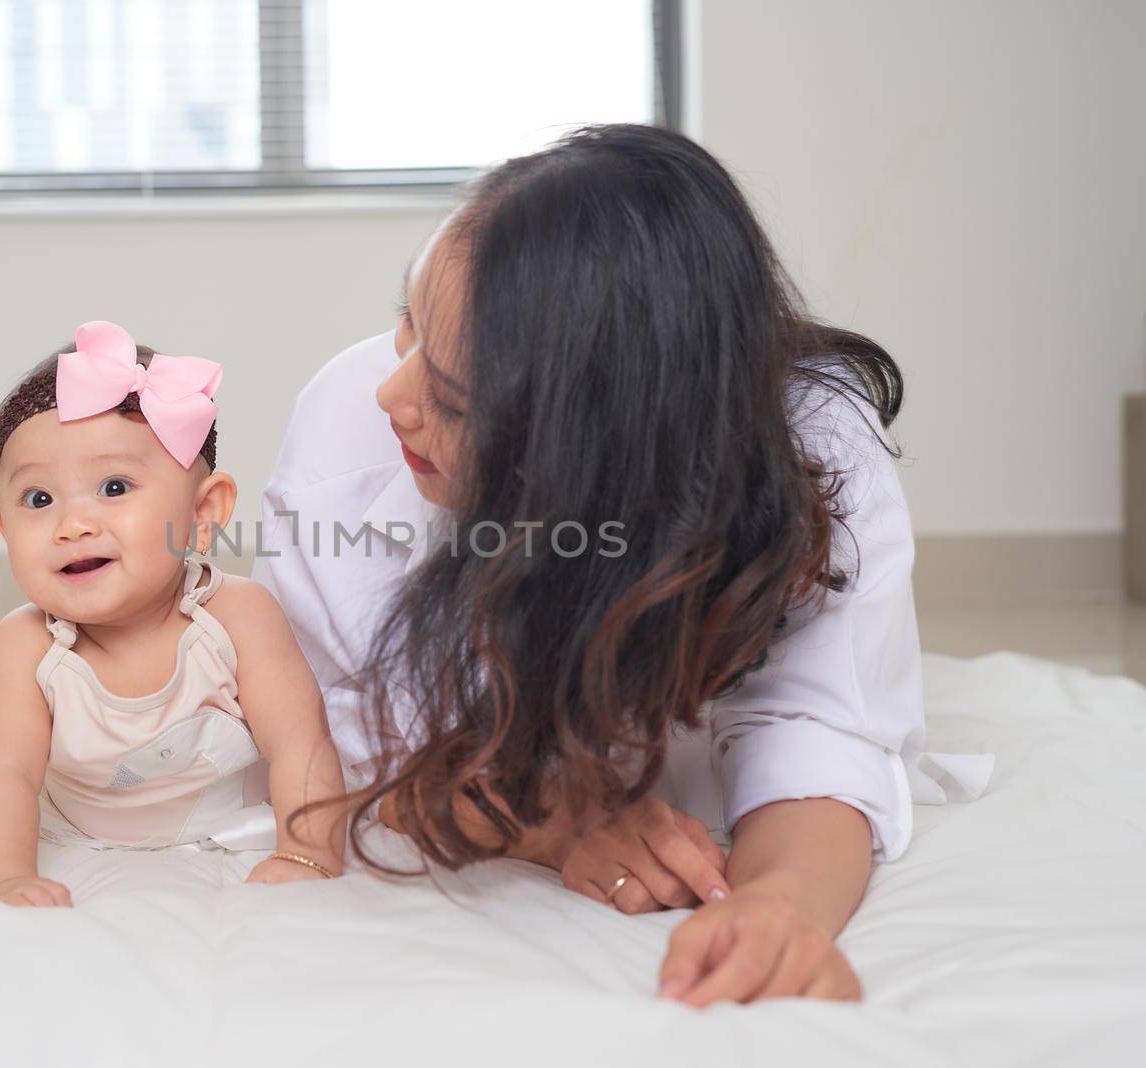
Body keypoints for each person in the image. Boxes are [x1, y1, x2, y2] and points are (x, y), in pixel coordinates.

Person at [252, 124, 990, 1005]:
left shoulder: (814, 446)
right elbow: (347, 744)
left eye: (450, 398)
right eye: (404, 325)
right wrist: (556, 826)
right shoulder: (345, 439)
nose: (391, 394)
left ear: (592, 446)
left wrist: (776, 906)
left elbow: (819, 730)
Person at [0, 321, 347, 908]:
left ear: (202, 511)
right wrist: (4, 876)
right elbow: (4, 776)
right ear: (3, 526)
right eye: (39, 500)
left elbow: (301, 745)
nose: (74, 525)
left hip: (230, 833)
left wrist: (305, 851)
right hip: (82, 835)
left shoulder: (236, 616)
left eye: (114, 487)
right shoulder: (28, 646)